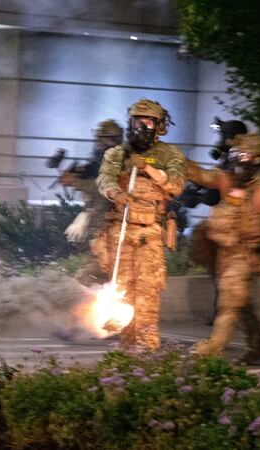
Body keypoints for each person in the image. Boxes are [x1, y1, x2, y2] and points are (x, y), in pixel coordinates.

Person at [95, 99, 186, 350]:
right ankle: (127, 348)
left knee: (147, 294)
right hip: (122, 230)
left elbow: (176, 186)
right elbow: (105, 179)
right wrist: (116, 193)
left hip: (150, 233)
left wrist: (148, 168)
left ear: (159, 125)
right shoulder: (117, 153)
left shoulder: (170, 155)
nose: (141, 127)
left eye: (148, 122)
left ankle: (147, 350)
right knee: (123, 292)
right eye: (137, 121)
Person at [188, 133, 260, 363]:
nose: (237, 161)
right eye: (235, 155)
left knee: (229, 301)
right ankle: (259, 348)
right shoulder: (228, 183)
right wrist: (174, 160)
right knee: (241, 304)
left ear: (257, 161)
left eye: (244, 156)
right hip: (224, 253)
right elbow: (198, 174)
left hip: (245, 254)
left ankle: (215, 346)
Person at [182, 117, 249, 324]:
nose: (221, 141)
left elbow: (220, 192)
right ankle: (225, 313)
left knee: (227, 274)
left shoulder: (241, 162)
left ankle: (229, 314)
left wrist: (199, 195)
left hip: (236, 225)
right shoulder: (229, 161)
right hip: (225, 222)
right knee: (220, 272)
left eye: (225, 137)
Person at [61, 119, 123, 286]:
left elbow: (105, 190)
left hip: (112, 225)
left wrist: (77, 182)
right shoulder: (101, 163)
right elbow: (92, 170)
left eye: (110, 140)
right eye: (103, 140)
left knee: (97, 268)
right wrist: (77, 174)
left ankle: (77, 296)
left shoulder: (121, 164)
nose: (105, 144)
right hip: (98, 223)